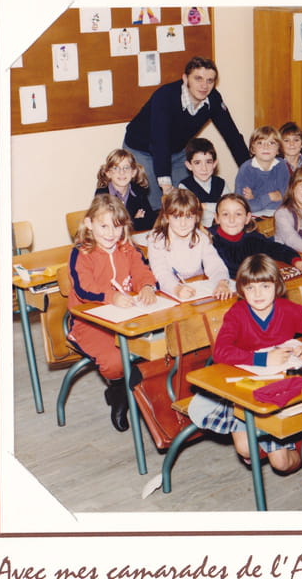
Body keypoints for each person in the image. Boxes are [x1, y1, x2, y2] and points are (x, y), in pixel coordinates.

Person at [187, 254, 302, 473]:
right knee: (246, 449)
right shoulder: (237, 313)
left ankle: (296, 440)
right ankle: (274, 439)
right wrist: (263, 359)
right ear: (241, 289)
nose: (258, 294)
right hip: (244, 388)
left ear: (277, 286)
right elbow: (220, 351)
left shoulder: (289, 310)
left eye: (265, 286)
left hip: (279, 387)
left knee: (281, 463)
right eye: (250, 288)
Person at [67, 194, 157, 432]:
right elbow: (83, 289)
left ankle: (146, 391)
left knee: (159, 346)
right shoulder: (81, 253)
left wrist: (147, 286)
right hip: (90, 322)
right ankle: (119, 393)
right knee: (115, 360)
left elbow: (142, 271)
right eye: (103, 226)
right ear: (89, 224)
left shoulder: (127, 248)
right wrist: (112, 297)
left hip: (127, 316)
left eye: (116, 227)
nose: (110, 233)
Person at [123, 56, 249, 209]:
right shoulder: (165, 96)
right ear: (185, 78)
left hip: (176, 151)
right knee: (158, 205)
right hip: (143, 150)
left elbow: (233, 137)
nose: (204, 86)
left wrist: (250, 171)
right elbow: (160, 141)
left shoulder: (213, 99)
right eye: (198, 78)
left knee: (189, 201)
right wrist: (166, 186)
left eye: (210, 80)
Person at [146, 188, 231, 300]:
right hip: (170, 292)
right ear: (166, 217)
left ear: (196, 218)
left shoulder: (201, 238)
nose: (183, 223)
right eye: (176, 217)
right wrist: (176, 289)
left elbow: (215, 264)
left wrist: (221, 282)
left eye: (189, 217)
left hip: (198, 288)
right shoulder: (156, 240)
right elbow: (162, 273)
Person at [211, 193, 302, 279]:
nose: (231, 220)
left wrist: (296, 261)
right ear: (217, 218)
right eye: (225, 214)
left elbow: (277, 249)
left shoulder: (253, 239)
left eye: (238, 214)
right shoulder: (209, 240)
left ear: (247, 218)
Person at [94, 148, 155, 232]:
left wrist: (123, 223)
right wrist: (134, 221)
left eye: (126, 167)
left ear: (133, 172)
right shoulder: (102, 194)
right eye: (115, 168)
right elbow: (107, 227)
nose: (122, 172)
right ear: (108, 173)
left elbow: (150, 221)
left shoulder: (139, 191)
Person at [234, 126, 290, 215]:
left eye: (271, 143)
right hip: (254, 216)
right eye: (260, 143)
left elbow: (287, 198)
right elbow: (242, 206)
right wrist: (270, 197)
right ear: (253, 149)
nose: (266, 147)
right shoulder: (246, 169)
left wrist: (255, 198)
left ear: (278, 149)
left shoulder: (281, 165)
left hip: (280, 212)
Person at [178, 137, 232, 228]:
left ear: (214, 164)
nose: (204, 168)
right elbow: (189, 213)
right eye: (197, 163)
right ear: (189, 165)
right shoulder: (184, 186)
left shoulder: (220, 183)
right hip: (196, 229)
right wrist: (218, 207)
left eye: (208, 162)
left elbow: (230, 207)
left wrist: (205, 206)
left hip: (222, 227)